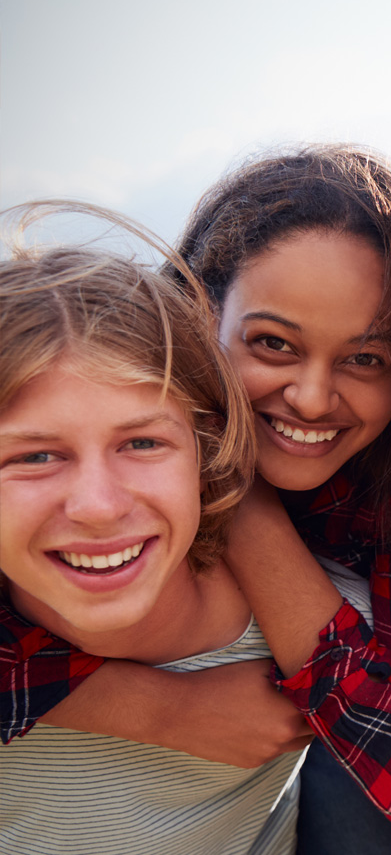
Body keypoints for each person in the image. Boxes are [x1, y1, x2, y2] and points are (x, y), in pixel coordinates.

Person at [0, 149, 391, 855]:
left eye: (367, 358)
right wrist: (162, 709)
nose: (313, 396)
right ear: (198, 316)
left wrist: (239, 498)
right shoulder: (86, 495)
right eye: (273, 343)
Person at [0, 218, 356, 854]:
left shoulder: (308, 626)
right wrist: (157, 711)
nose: (98, 507)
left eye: (142, 443)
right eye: (34, 457)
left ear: (207, 451)